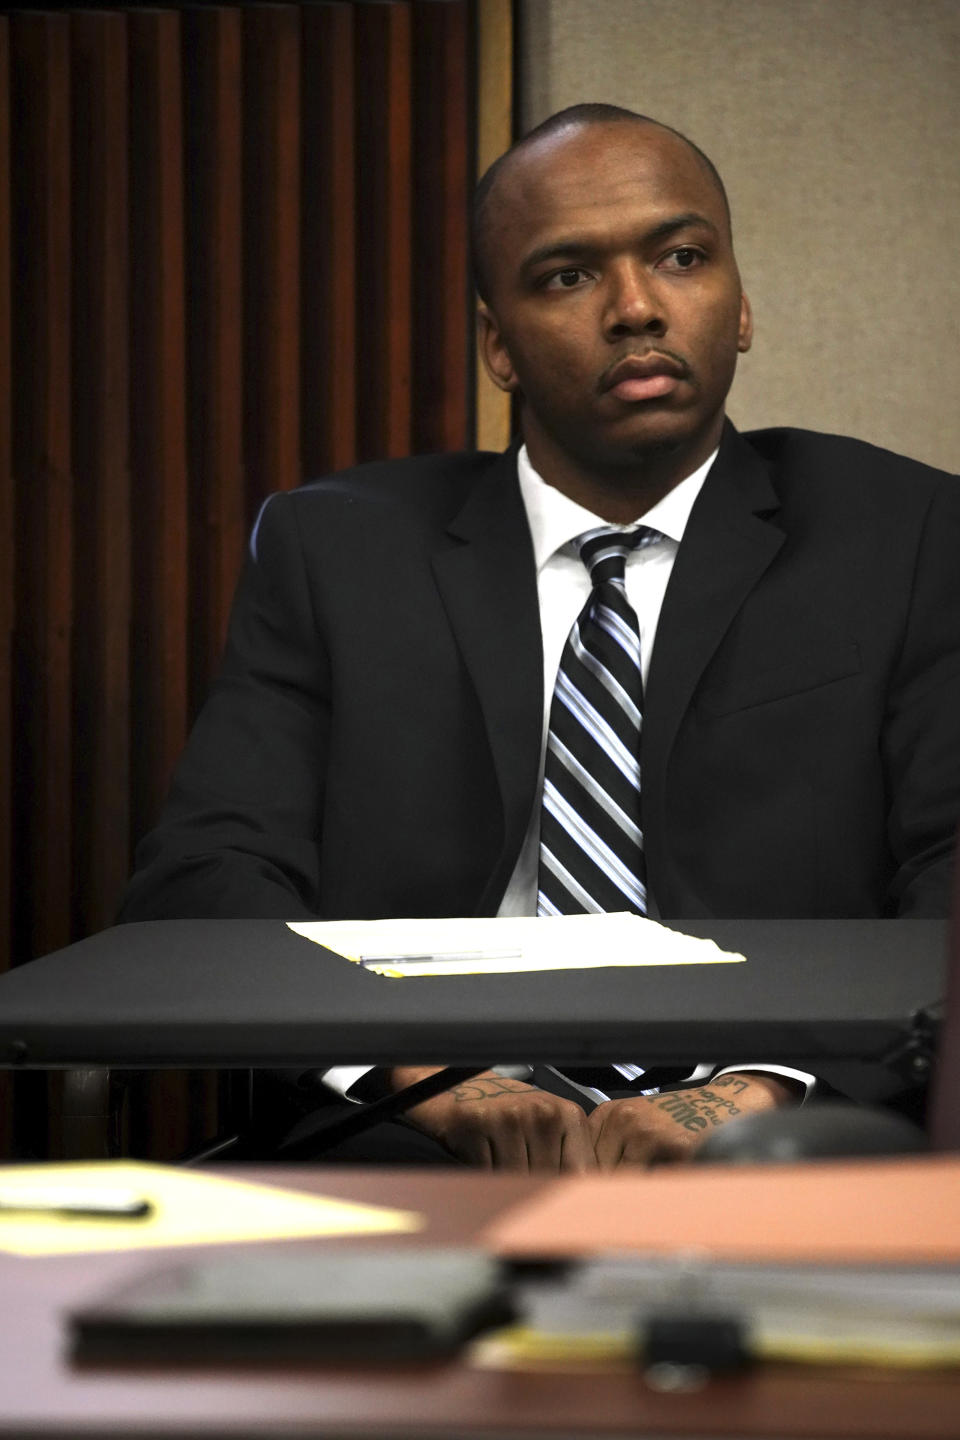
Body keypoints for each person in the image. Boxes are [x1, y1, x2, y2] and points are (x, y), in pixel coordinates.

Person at [119, 104, 960, 1171]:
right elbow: (207, 876)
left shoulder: (907, 533)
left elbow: (951, 877)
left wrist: (750, 1095)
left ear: (741, 305)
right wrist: (422, 1082)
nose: (637, 308)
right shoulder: (337, 551)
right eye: (568, 276)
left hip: (791, 1133)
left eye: (683, 257)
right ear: (496, 346)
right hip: (415, 1133)